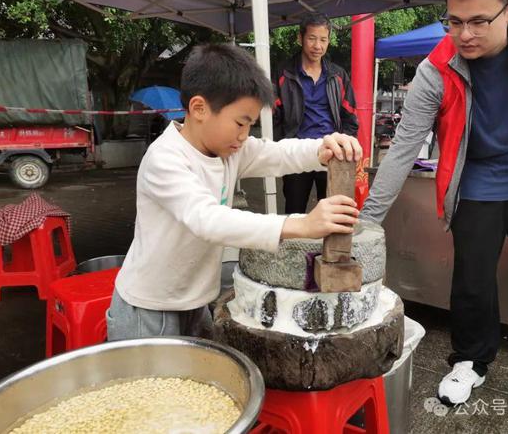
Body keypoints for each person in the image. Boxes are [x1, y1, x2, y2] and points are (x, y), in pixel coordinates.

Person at [360, 0, 508, 415]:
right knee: (472, 278)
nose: (464, 34)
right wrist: (366, 222)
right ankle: (469, 359)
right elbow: (404, 146)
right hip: (475, 183)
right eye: (454, 22)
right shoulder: (436, 68)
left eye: (479, 22)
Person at [107, 44, 362, 340]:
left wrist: (322, 148)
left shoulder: (228, 150)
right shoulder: (165, 159)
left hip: (193, 300)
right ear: (199, 109)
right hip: (149, 308)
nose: (244, 136)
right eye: (240, 123)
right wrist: (301, 224)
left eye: (250, 125)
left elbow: (276, 154)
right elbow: (209, 220)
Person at [273, 12, 359, 214]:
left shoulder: (337, 75)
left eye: (323, 39)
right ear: (300, 38)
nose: (317, 46)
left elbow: (350, 117)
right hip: (296, 153)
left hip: (331, 153)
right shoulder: (284, 73)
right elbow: (274, 116)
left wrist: (342, 150)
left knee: (333, 213)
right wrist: (282, 146)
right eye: (312, 38)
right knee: (294, 212)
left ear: (329, 41)